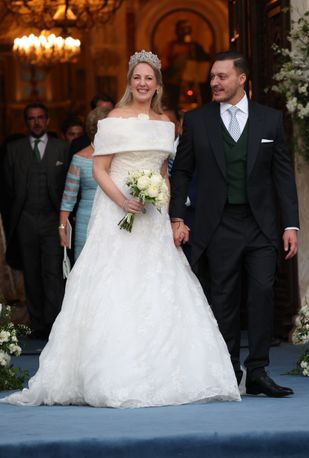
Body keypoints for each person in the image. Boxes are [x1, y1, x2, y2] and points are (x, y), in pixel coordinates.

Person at [0, 50, 239, 408]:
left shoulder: (165, 123)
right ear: (129, 82)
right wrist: (123, 201)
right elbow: (100, 169)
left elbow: (162, 172)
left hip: (153, 218)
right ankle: (112, 373)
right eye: (137, 78)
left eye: (149, 78)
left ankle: (168, 374)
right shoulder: (113, 119)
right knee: (116, 285)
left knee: (161, 285)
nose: (142, 83)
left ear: (158, 84)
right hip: (117, 215)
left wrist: (169, 210)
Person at [170, 51, 299, 397]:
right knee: (224, 299)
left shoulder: (270, 120)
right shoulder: (196, 120)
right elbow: (181, 171)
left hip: (261, 225)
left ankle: (257, 371)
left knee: (261, 295)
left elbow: (282, 175)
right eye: (212, 76)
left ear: (241, 79)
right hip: (219, 223)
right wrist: (177, 215)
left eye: (221, 76)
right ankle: (227, 371)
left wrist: (291, 225)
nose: (214, 82)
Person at [3, 102, 70, 339]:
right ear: (26, 122)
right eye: (31, 118)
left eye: (41, 117)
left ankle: (55, 324)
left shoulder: (62, 148)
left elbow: (69, 186)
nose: (37, 122)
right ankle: (38, 325)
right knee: (31, 273)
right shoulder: (14, 149)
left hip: (53, 219)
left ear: (48, 120)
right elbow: (8, 188)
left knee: (52, 273)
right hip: (26, 220)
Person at [59, 106, 110, 260]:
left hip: (114, 220)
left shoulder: (120, 157)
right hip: (86, 221)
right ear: (95, 130)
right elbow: (68, 198)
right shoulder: (79, 158)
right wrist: (62, 227)